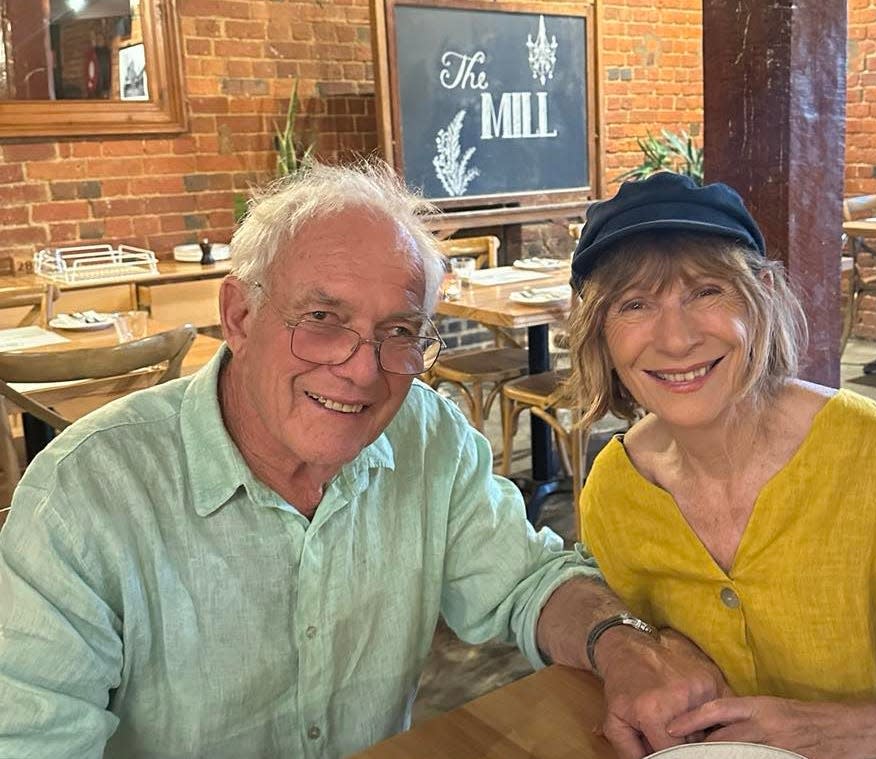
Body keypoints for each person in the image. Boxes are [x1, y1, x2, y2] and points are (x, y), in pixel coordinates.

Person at [0, 161, 726, 759]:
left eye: (399, 330)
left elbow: (526, 581)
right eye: (322, 319)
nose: (360, 368)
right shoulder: (83, 496)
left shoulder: (425, 436)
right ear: (240, 316)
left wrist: (618, 643)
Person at [564, 171, 876, 759]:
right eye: (635, 304)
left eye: (705, 291)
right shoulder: (616, 491)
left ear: (762, 299)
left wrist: (849, 730)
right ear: (599, 334)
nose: (674, 340)